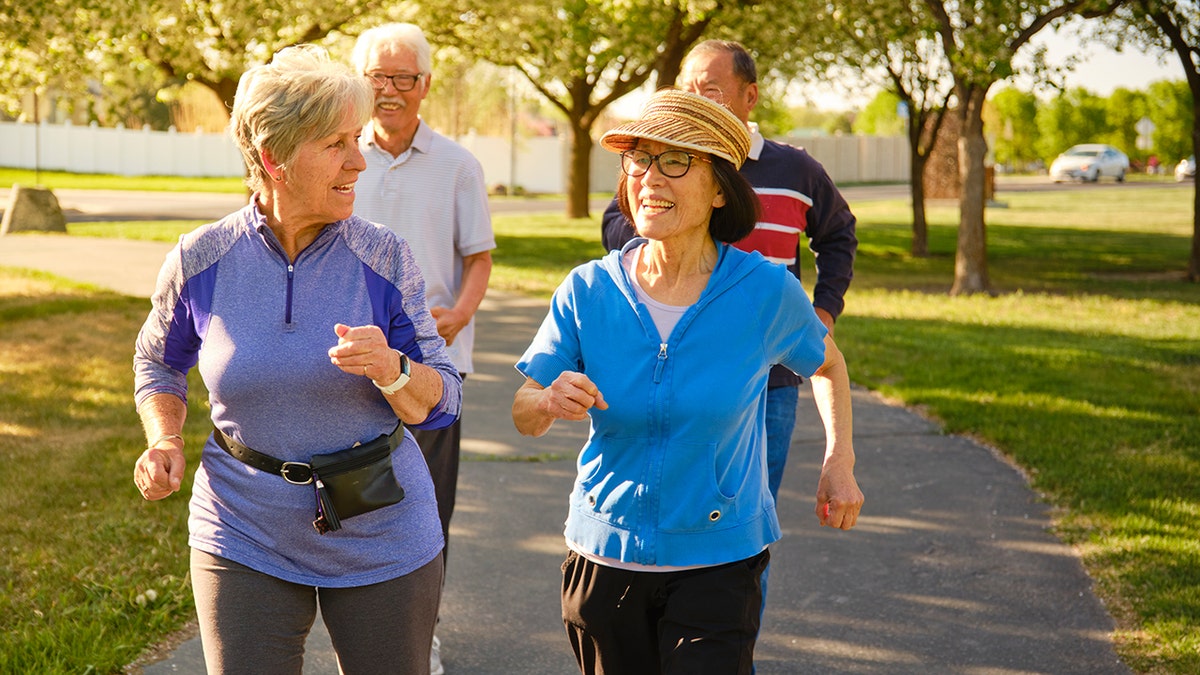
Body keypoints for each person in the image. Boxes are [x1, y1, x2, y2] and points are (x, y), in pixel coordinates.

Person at [132, 44, 461, 674]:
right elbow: (157, 362)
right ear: (273, 159)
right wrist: (165, 438)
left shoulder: (383, 258)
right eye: (338, 144)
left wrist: (393, 368)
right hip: (242, 527)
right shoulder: (201, 258)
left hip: (380, 526)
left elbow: (444, 397)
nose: (359, 162)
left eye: (357, 141)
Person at [512, 88, 864, 675]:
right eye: (639, 160)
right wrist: (547, 399)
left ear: (721, 187)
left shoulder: (762, 291)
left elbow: (827, 364)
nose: (651, 177)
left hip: (718, 563)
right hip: (604, 559)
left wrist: (839, 459)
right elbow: (524, 412)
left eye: (675, 161)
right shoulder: (588, 289)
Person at [351, 23, 496, 675]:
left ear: (426, 86)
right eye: (377, 77)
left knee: (426, 510)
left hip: (431, 370)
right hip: (349, 362)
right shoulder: (339, 151)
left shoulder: (458, 165)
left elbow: (479, 258)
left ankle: (420, 636)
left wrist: (458, 316)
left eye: (402, 78)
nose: (388, 90)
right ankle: (361, 633)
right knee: (350, 507)